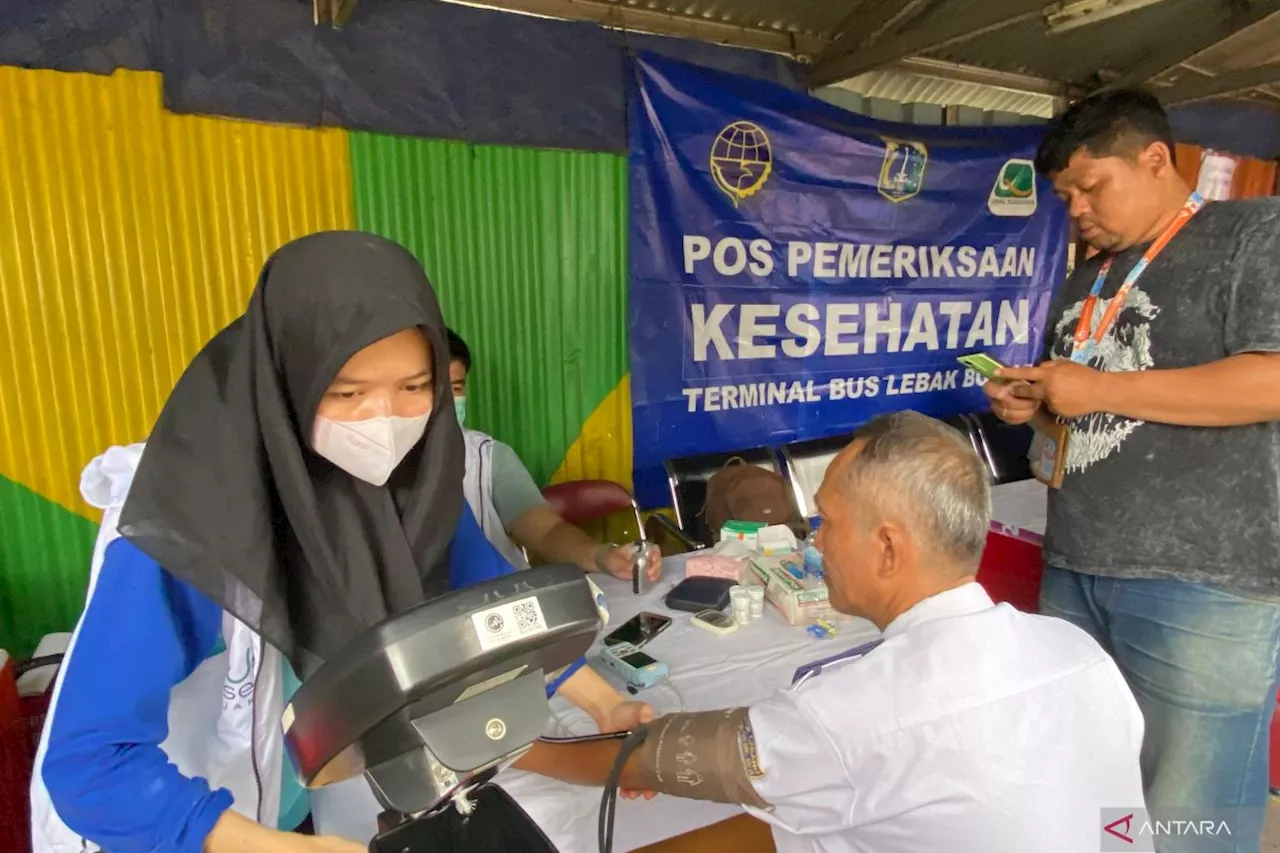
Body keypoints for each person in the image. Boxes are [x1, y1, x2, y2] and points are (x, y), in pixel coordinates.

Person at [29, 232, 650, 853]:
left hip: (304, 793)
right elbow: (89, 763)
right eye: (347, 392)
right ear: (283, 380)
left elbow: (489, 609)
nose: (385, 419)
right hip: (177, 824)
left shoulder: (411, 484)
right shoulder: (186, 525)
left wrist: (603, 706)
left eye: (415, 386)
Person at [519, 411, 1146, 853]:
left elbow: (650, 758)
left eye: (829, 521)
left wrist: (517, 749)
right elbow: (1115, 824)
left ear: (888, 547)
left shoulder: (855, 710)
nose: (813, 539)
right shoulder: (1079, 653)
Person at [984, 90, 1280, 849]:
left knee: (1190, 810)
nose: (1076, 208)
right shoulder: (1089, 278)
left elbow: (1271, 381)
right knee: (1094, 789)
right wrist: (1039, 406)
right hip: (1078, 562)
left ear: (1155, 158)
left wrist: (1101, 388)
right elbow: (1089, 418)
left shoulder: (1254, 232)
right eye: (1064, 196)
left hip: (1201, 582)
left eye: (1092, 187)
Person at [446, 327, 662, 582]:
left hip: (499, 603)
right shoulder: (386, 471)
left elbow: (546, 530)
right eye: (425, 387)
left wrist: (601, 556)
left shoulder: (488, 457)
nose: (447, 400)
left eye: (456, 388)